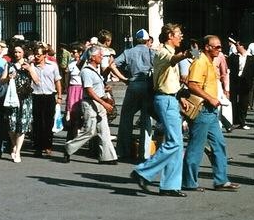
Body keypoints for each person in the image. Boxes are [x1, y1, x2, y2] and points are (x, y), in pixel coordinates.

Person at [131, 23, 190, 197]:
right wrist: (187, 54)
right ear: (170, 35)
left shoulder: (169, 52)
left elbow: (171, 80)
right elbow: (172, 60)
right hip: (164, 100)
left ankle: (170, 186)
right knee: (174, 142)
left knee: (177, 144)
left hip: (171, 99)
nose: (181, 36)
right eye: (179, 33)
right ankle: (142, 172)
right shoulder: (162, 52)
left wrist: (181, 98)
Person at [182, 35, 240, 192]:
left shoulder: (209, 62)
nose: (220, 49)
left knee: (219, 144)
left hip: (212, 111)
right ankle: (189, 182)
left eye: (220, 47)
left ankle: (221, 180)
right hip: (203, 110)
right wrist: (210, 98)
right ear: (207, 47)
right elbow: (193, 85)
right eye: (217, 47)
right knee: (196, 147)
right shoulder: (200, 62)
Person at [63, 46, 118, 164]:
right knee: (89, 131)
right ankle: (68, 148)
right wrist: (104, 102)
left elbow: (96, 87)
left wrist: (105, 89)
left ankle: (108, 157)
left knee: (104, 131)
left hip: (99, 103)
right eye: (100, 56)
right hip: (91, 104)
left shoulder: (95, 70)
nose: (101, 57)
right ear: (92, 57)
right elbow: (89, 90)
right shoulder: (86, 71)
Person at [110, 29, 155, 161]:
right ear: (147, 41)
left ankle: (123, 151)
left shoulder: (128, 52)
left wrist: (123, 79)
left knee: (126, 117)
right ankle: (145, 153)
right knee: (146, 119)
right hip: (147, 86)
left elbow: (112, 65)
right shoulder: (152, 52)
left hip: (133, 85)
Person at [0, 42, 33, 163]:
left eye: (19, 52)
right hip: (12, 98)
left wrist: (29, 69)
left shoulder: (28, 64)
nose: (17, 54)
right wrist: (8, 77)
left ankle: (17, 151)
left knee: (22, 125)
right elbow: (2, 81)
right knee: (12, 125)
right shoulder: (9, 65)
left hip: (25, 98)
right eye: (15, 52)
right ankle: (14, 145)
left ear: (24, 52)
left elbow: (37, 80)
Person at [29, 44, 63, 157]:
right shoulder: (32, 66)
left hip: (49, 95)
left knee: (48, 122)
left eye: (39, 55)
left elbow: (57, 80)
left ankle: (48, 145)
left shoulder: (52, 65)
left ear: (44, 55)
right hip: (36, 95)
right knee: (37, 122)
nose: (37, 57)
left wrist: (59, 96)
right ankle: (38, 147)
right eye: (35, 54)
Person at [228, 38, 254, 130]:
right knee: (233, 101)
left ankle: (242, 121)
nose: (236, 47)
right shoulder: (234, 56)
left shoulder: (251, 58)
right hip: (235, 81)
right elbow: (228, 66)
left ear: (242, 46)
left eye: (237, 45)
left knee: (244, 102)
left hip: (246, 82)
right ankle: (234, 121)